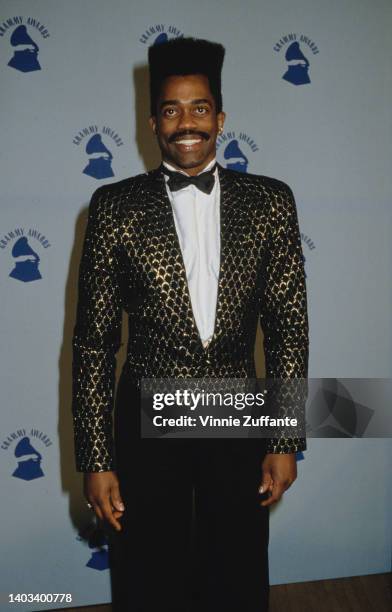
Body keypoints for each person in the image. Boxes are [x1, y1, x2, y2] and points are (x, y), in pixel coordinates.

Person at [71, 37, 309, 612]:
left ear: (220, 117)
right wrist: (97, 458)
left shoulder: (271, 202)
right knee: (148, 571)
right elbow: (93, 344)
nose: (186, 122)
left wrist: (284, 439)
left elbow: (288, 330)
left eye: (199, 107)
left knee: (239, 565)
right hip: (147, 408)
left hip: (237, 408)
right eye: (172, 110)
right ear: (153, 121)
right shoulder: (113, 207)